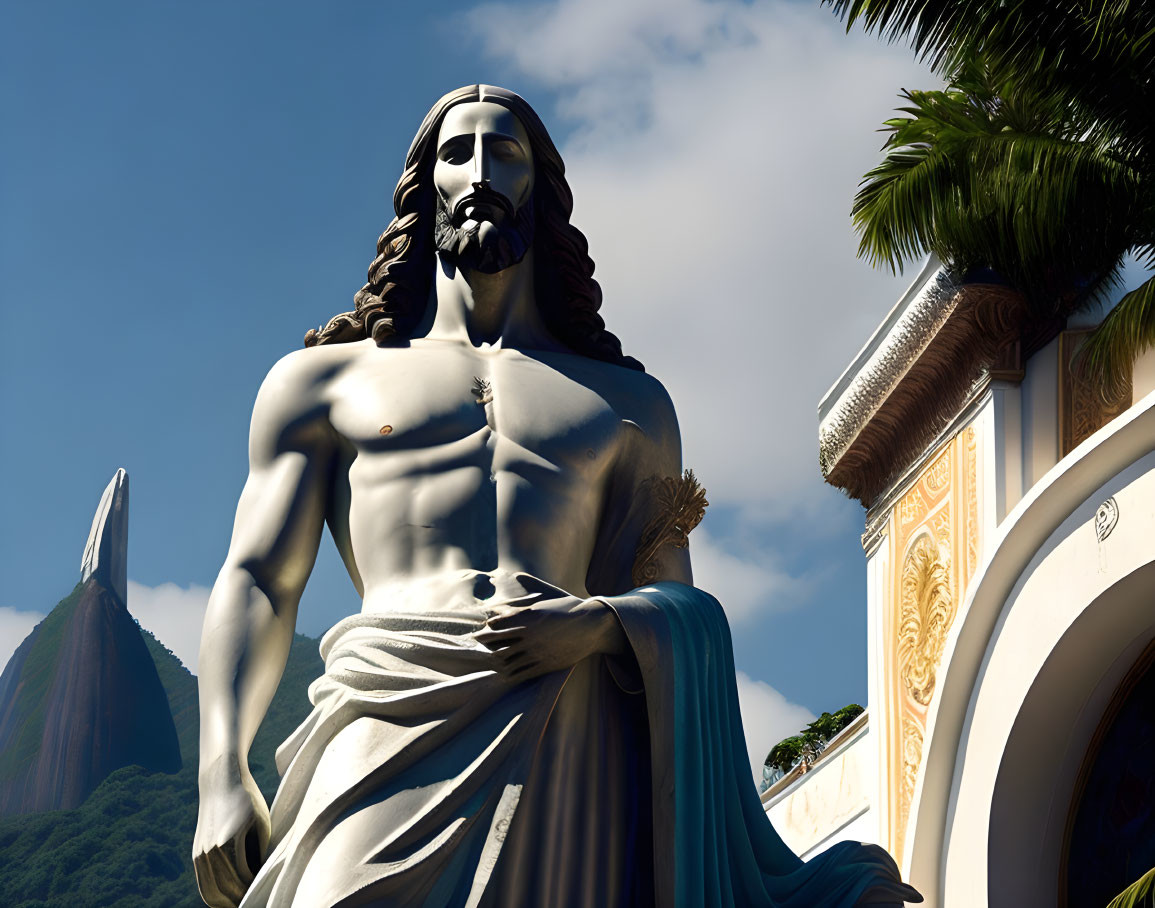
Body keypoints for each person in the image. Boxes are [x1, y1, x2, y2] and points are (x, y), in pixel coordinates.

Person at [192, 84, 919, 908]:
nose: (478, 171)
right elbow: (258, 579)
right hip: (385, 717)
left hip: (568, 738)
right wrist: (222, 768)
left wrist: (600, 623)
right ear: (421, 186)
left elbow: (673, 600)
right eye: (456, 151)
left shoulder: (627, 406)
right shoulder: (323, 382)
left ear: (542, 186)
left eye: (504, 152)